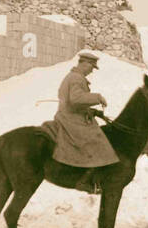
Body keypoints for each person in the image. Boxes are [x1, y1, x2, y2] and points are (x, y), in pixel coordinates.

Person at [50, 50, 118, 193]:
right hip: (70, 118)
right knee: (98, 141)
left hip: (72, 114)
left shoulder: (74, 76)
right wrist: (97, 97)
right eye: (91, 67)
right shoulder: (76, 78)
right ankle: (84, 181)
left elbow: (75, 102)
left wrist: (93, 111)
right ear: (84, 63)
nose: (91, 71)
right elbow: (76, 99)